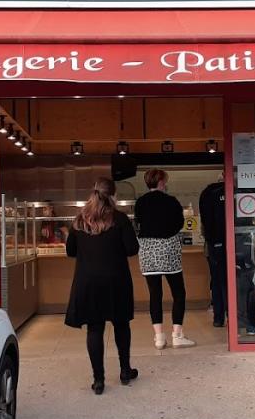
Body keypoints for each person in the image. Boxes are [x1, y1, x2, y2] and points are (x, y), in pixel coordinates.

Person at [64, 177, 140, 395]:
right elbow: (132, 249)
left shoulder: (80, 220)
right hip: (116, 280)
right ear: (113, 195)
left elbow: (70, 251)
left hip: (88, 281)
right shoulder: (120, 218)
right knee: (121, 324)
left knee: (94, 329)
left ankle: (98, 380)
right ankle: (125, 370)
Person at [135, 168, 194, 350]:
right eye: (165, 180)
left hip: (147, 251)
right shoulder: (171, 202)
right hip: (168, 250)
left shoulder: (140, 202)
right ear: (161, 181)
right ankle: (177, 335)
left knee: (155, 294)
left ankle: (159, 337)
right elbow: (178, 224)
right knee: (178, 293)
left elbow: (138, 223)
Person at [198, 174, 228, 328]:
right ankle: (234, 315)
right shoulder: (232, 192)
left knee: (216, 281)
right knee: (231, 282)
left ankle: (218, 318)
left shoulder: (206, 194)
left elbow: (204, 226)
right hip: (233, 245)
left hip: (212, 247)